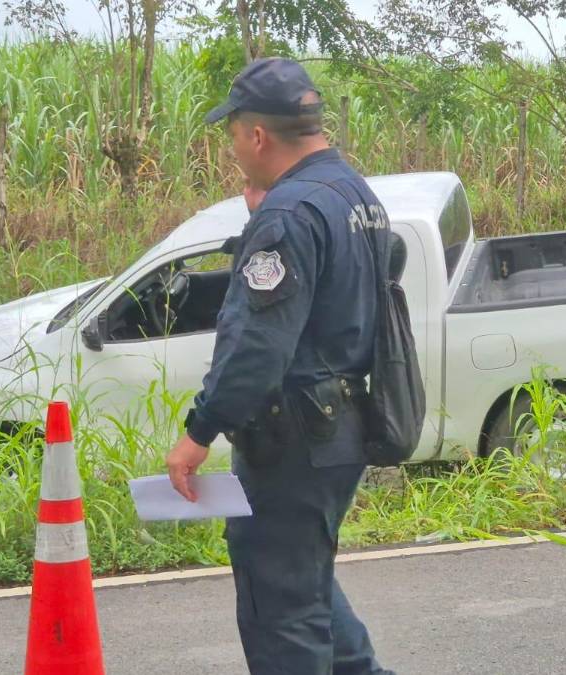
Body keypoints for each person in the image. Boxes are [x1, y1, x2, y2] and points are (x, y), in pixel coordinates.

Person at [164, 57, 394, 675]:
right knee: (303, 582)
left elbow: (258, 345)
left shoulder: (288, 214)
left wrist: (200, 431)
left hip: (294, 436)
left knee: (283, 612)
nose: (233, 150)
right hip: (341, 422)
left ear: (258, 135)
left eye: (233, 136)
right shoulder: (354, 194)